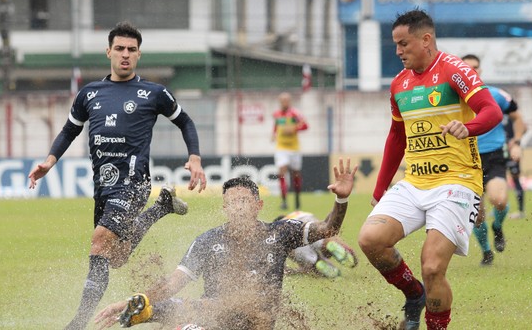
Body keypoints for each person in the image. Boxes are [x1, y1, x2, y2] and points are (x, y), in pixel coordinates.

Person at [27, 21, 207, 330]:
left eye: (132, 50)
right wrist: (49, 162)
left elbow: (186, 121)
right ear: (109, 51)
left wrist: (194, 157)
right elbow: (70, 129)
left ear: (139, 55)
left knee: (99, 242)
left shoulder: (153, 92)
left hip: (134, 183)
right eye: (120, 48)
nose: (125, 55)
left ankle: (78, 323)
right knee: (116, 257)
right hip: (104, 186)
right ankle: (161, 207)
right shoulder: (89, 93)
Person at [357, 9, 503, 330]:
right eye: (395, 44)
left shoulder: (455, 71)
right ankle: (414, 294)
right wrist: (381, 188)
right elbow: (397, 136)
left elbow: (491, 111)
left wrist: (470, 127)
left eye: (403, 44)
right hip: (415, 182)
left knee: (433, 266)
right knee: (370, 239)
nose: (398, 51)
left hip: (458, 182)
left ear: (426, 39)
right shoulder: (399, 85)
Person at [94, 158, 357, 330]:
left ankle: (150, 311)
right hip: (210, 322)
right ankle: (145, 309)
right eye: (232, 202)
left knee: (225, 306)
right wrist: (127, 302)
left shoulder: (280, 233)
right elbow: (172, 284)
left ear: (258, 205)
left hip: (255, 323)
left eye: (244, 201)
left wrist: (341, 201)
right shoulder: (208, 241)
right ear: (224, 208)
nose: (238, 207)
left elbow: (328, 228)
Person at [461, 54, 526, 266]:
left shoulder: (495, 95)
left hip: (494, 156)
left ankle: (497, 227)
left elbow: (518, 119)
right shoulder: (452, 98)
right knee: (477, 215)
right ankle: (486, 252)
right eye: (467, 67)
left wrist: (515, 142)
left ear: (480, 71)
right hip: (466, 159)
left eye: (476, 68)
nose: (472, 71)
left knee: (499, 200)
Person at [274, 210, 358, 278]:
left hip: (290, 235)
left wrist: (297, 270)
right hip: (306, 221)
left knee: (311, 263)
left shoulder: (277, 232)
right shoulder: (294, 214)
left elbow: (281, 263)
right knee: (325, 238)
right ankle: (331, 245)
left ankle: (320, 263)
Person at [271, 92, 309, 211]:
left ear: (290, 101)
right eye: (282, 101)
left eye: (287, 100)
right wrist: (273, 134)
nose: (284, 103)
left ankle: (297, 198)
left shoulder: (295, 114)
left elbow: (305, 126)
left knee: (296, 174)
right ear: (280, 102)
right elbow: (276, 126)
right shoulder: (277, 114)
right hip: (281, 148)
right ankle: (284, 201)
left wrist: (294, 128)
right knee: (282, 171)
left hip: (294, 148)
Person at [505, 116, 527, 219]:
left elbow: (524, 127)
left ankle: (521, 211)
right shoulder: (493, 112)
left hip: (512, 151)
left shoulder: (512, 114)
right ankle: (500, 209)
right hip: (498, 151)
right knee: (498, 179)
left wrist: (515, 141)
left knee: (516, 179)